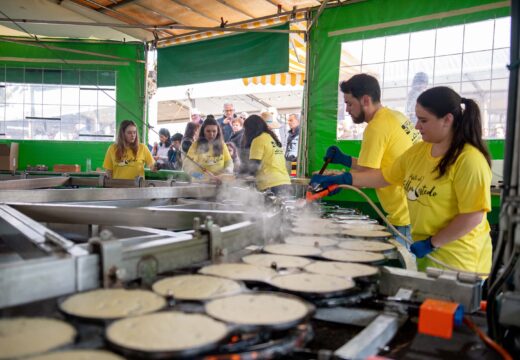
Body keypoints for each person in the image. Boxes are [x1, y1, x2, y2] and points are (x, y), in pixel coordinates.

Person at [326, 87, 492, 273]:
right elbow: (384, 176)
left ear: (447, 120)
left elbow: (473, 215)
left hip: (460, 263)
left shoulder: (469, 160)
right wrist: (345, 179)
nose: (417, 127)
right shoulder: (418, 152)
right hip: (428, 259)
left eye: (424, 120)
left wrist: (433, 243)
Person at [310, 74, 420, 248]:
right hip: (416, 209)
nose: (347, 110)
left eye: (349, 103)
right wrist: (344, 160)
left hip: (405, 216)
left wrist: (338, 181)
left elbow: (366, 177)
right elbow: (373, 166)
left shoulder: (376, 127)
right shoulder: (395, 116)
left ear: (366, 100)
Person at [241, 115, 291, 195]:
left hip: (271, 184)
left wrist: (239, 175)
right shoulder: (270, 138)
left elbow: (254, 166)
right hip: (285, 182)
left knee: (270, 208)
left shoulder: (258, 140)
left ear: (250, 129)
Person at [183, 115, 233, 180]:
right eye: (208, 131)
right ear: (203, 131)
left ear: (218, 132)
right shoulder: (196, 145)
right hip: (200, 186)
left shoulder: (222, 144)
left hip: (219, 183)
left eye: (214, 131)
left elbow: (228, 162)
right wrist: (202, 177)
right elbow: (186, 167)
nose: (211, 134)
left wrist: (227, 171)